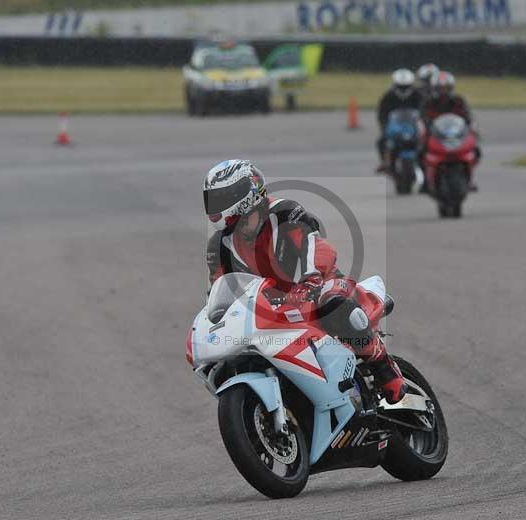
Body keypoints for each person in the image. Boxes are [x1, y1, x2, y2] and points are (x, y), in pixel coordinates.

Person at [203, 159, 407, 404]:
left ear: (246, 193)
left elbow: (315, 247)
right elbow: (219, 287)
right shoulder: (219, 245)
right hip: (272, 308)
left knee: (332, 302)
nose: (216, 206)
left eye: (223, 197)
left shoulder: (284, 212)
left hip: (319, 285)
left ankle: (385, 368)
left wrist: (311, 280)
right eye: (212, 198)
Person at [422, 71, 481, 190]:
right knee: (420, 151)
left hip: (456, 134)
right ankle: (426, 180)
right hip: (436, 135)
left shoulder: (459, 101)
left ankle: (469, 178)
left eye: (446, 88)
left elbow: (467, 117)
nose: (443, 91)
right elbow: (423, 118)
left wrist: (471, 129)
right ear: (434, 88)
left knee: (476, 151)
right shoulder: (428, 102)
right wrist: (426, 129)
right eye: (441, 88)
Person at [376, 69, 424, 172]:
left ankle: (424, 161)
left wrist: (423, 123)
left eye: (406, 86)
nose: (403, 89)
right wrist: (384, 127)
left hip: (413, 125)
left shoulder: (418, 95)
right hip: (396, 126)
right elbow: (382, 113)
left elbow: (424, 110)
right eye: (400, 86)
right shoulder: (389, 96)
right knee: (381, 141)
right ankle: (385, 162)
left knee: (426, 141)